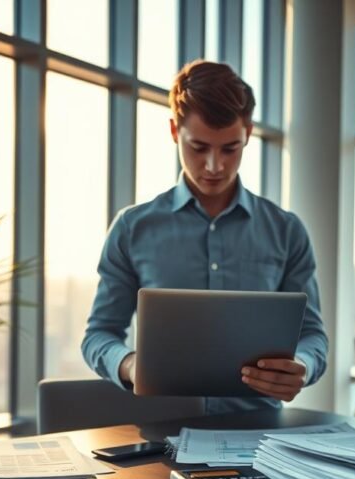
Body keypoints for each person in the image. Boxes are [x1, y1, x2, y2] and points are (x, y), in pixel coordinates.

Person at [81, 60, 327, 414]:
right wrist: (130, 365)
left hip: (259, 434)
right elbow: (99, 336)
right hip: (159, 431)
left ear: (248, 133)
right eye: (198, 147)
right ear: (173, 131)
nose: (215, 166)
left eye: (230, 149)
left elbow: (313, 335)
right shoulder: (132, 228)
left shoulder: (286, 232)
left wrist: (302, 366)